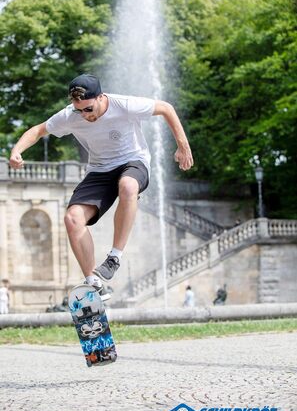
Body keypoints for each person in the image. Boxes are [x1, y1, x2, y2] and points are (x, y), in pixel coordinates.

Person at [9, 74, 194, 300]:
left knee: (127, 186)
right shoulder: (70, 115)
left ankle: (114, 257)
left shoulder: (123, 105)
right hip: (99, 170)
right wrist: (17, 151)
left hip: (133, 161)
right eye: (79, 110)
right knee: (72, 219)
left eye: (88, 109)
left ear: (100, 97)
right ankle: (94, 283)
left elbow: (166, 108)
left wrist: (183, 146)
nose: (85, 116)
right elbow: (38, 130)